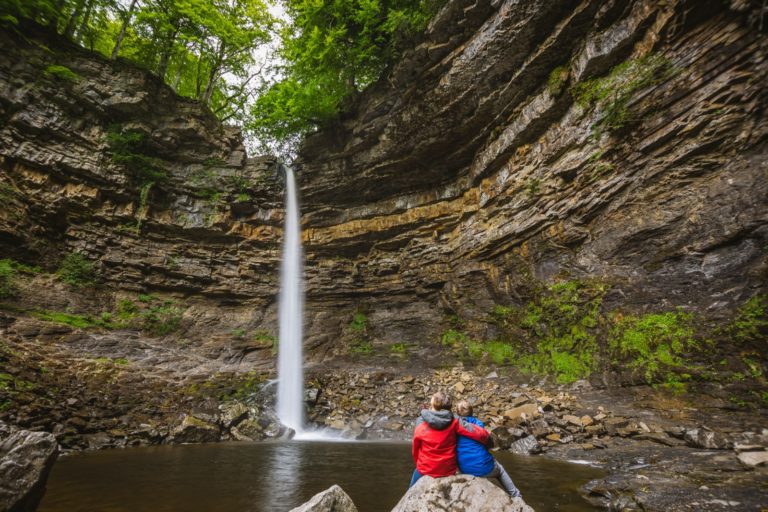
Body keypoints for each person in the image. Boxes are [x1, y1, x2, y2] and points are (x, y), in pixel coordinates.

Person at [409, 390, 490, 487]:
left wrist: (419, 464)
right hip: (448, 469)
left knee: (411, 488)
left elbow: (415, 449)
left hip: (426, 468)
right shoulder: (455, 420)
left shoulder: (421, 421)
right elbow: (476, 432)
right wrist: (487, 437)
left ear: (433, 404)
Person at [455, 399, 523, 498]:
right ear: (471, 411)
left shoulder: (454, 426)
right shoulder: (478, 424)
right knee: (500, 469)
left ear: (457, 413)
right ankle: (516, 495)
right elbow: (486, 443)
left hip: (466, 470)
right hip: (485, 467)